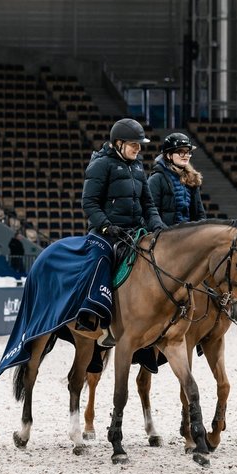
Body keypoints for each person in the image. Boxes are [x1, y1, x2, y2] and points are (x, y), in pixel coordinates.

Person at [81, 118, 166, 346]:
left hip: (135, 230)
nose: (138, 148)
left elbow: (148, 203)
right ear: (118, 143)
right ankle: (93, 316)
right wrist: (107, 225)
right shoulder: (100, 165)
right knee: (101, 261)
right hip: (106, 231)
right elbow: (89, 202)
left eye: (139, 144)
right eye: (134, 144)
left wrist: (158, 225)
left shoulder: (137, 166)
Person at [148, 132, 207, 226]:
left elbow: (200, 213)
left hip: (188, 233)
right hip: (165, 235)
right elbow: (151, 212)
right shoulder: (156, 179)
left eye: (188, 152)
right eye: (181, 152)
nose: (186, 156)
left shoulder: (191, 178)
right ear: (168, 155)